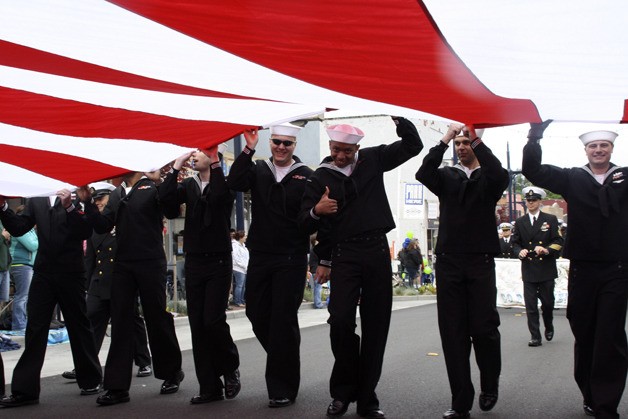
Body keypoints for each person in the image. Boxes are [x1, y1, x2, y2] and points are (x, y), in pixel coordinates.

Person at [300, 117, 423, 418]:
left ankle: (367, 398)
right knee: (340, 321)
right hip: (345, 253)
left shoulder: (373, 159)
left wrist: (400, 118)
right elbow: (302, 221)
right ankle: (342, 391)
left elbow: (413, 145)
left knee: (376, 325)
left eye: (347, 150)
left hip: (376, 249)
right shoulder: (319, 178)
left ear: (358, 148)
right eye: (336, 149)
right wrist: (317, 211)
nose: (341, 156)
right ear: (330, 146)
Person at [522, 122, 628, 418]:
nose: (598, 150)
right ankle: (590, 393)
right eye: (593, 146)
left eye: (604, 145)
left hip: (617, 267)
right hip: (583, 268)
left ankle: (606, 404)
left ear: (611, 149)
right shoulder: (572, 178)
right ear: (586, 150)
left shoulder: (625, 177)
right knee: (585, 331)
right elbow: (533, 169)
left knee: (610, 334)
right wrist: (535, 135)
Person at [416, 123, 509, 419]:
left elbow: (499, 173)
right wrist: (445, 138)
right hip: (449, 261)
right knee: (453, 334)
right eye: (458, 144)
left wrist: (476, 138)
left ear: (477, 143)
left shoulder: (489, 179)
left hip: (480, 261)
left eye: (466, 142)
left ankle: (489, 383)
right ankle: (460, 401)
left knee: (484, 330)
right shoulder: (446, 177)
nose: (461, 147)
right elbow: (423, 172)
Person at [227, 122, 312, 408]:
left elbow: (312, 218)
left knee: (282, 321)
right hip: (261, 256)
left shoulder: (306, 176)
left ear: (294, 146)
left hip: (292, 257)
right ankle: (284, 357)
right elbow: (234, 182)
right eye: (276, 141)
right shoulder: (258, 169)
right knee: (256, 312)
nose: (280, 147)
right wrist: (248, 147)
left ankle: (282, 388)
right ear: (270, 142)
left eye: (287, 143)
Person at [0, 188, 103, 407]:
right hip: (43, 272)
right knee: (35, 328)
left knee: (78, 325)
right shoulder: (37, 199)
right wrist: (3, 208)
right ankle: (25, 391)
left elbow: (85, 231)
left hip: (71, 272)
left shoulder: (77, 194)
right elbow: (19, 227)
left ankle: (91, 379)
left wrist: (70, 207)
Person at [92, 170, 184, 406]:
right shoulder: (118, 193)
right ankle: (117, 387)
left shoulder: (151, 188)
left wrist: (163, 180)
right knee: (121, 321)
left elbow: (170, 208)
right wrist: (86, 201)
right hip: (123, 264)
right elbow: (103, 225)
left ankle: (172, 372)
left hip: (150, 262)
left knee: (156, 318)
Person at [161, 146, 241, 405]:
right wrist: (175, 168)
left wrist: (216, 164)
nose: (194, 156)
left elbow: (219, 199)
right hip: (194, 260)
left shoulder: (224, 182)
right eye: (192, 153)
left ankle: (230, 368)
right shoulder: (188, 185)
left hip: (218, 260)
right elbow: (168, 206)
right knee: (197, 325)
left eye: (199, 152)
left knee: (212, 321)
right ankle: (209, 386)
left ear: (213, 155)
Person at [62, 182, 152, 381]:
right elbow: (90, 259)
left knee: (131, 322)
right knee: (91, 322)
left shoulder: (121, 223)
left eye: (102, 199)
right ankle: (86, 365)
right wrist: (87, 287)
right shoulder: (96, 226)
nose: (99, 203)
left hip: (120, 280)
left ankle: (143, 361)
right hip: (99, 282)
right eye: (96, 200)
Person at [511, 186, 562, 347]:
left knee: (547, 303)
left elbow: (559, 241)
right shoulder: (520, 222)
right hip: (529, 268)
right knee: (531, 305)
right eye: (528, 201)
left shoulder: (550, 220)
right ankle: (535, 336)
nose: (531, 203)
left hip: (546, 267)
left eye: (534, 200)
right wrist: (520, 251)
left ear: (540, 202)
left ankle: (549, 325)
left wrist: (546, 250)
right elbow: (514, 243)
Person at [6, 206, 37, 333]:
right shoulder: (20, 229)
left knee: (26, 296)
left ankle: (23, 323)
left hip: (27, 265)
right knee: (22, 296)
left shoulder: (30, 231)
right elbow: (33, 245)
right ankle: (19, 325)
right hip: (21, 265)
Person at [232, 230, 249, 308]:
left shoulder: (243, 246)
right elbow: (236, 258)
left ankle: (241, 300)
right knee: (239, 285)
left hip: (244, 268)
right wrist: (243, 266)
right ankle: (237, 301)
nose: (246, 237)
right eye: (245, 236)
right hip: (238, 268)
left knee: (243, 286)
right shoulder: (235, 245)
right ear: (241, 237)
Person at [308, 235, 325, 309]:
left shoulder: (311, 250)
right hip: (317, 270)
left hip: (313, 271)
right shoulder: (316, 250)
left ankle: (317, 303)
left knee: (316, 288)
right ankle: (318, 304)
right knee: (318, 288)